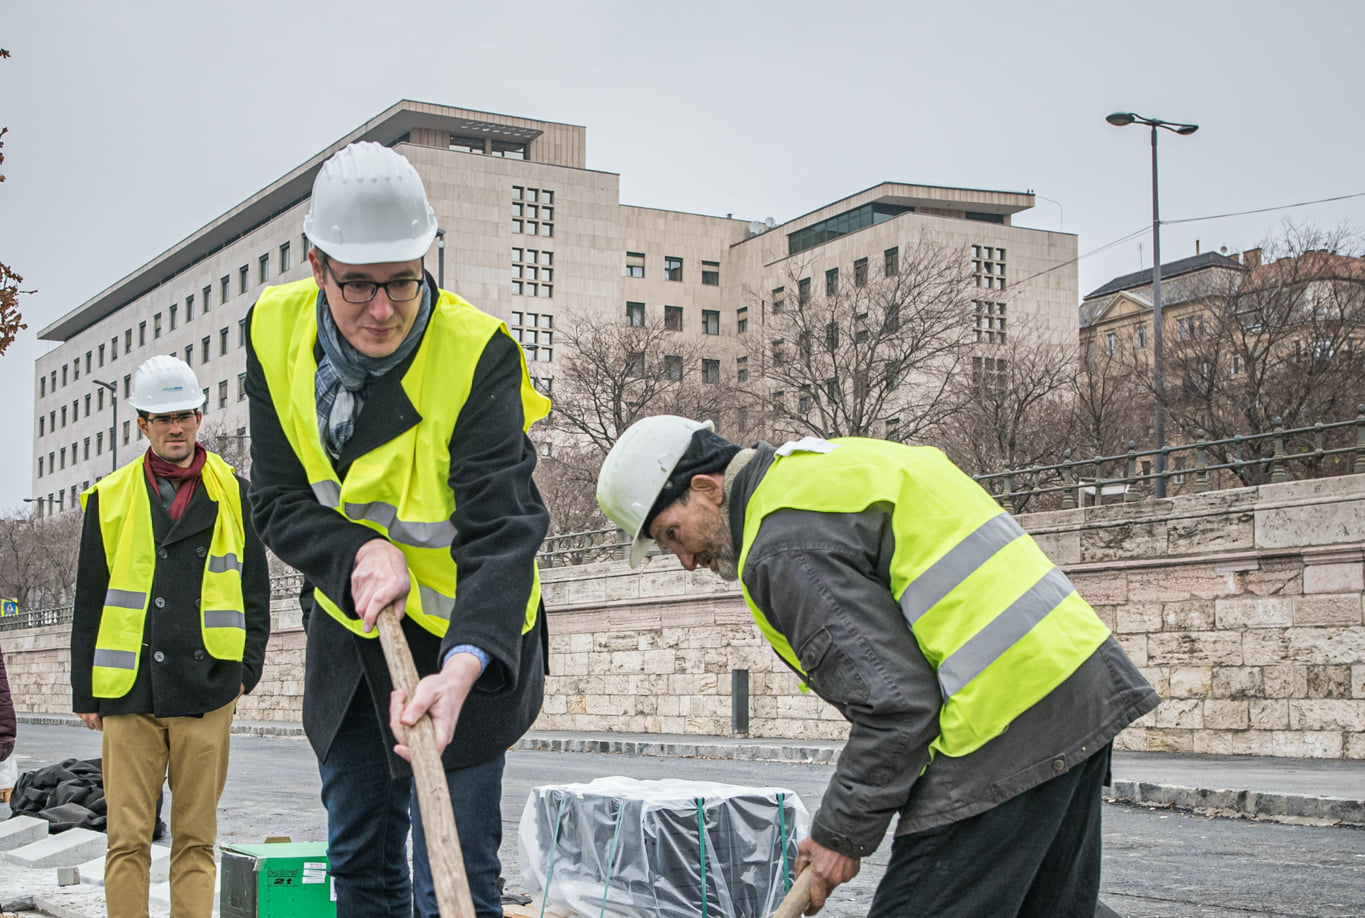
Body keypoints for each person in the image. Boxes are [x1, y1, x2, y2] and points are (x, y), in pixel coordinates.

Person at [596, 417, 1161, 918]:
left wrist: (840, 834)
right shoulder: (830, 468)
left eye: (673, 535)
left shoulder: (780, 544)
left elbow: (896, 705)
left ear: (706, 487)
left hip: (1003, 717)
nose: (687, 561)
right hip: (1078, 683)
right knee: (1050, 906)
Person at [244, 141, 550, 918]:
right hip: (355, 632)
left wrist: (465, 663)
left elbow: (503, 529)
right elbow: (278, 502)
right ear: (317, 265)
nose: (382, 309)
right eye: (358, 286)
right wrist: (356, 551)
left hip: (465, 644)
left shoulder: (476, 353)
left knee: (453, 871)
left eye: (403, 282)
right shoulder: (271, 333)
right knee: (360, 857)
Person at [70, 355, 271, 918]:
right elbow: (91, 597)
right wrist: (86, 692)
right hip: (129, 692)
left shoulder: (236, 491)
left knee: (195, 840)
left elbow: (255, 590)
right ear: (141, 424)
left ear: (201, 415)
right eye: (162, 417)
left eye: (184, 414)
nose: (175, 427)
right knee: (127, 839)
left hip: (207, 690)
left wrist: (243, 672)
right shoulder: (108, 497)